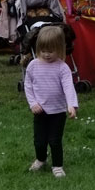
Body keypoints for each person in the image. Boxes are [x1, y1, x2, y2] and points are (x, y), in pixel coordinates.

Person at [24, 24, 79, 178]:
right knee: (39, 140)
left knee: (55, 140)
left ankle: (57, 166)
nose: (47, 54)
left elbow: (69, 87)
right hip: (40, 110)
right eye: (43, 51)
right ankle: (41, 159)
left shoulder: (62, 68)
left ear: (60, 49)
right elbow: (28, 86)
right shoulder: (33, 66)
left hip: (58, 112)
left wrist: (71, 105)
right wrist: (33, 103)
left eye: (51, 51)